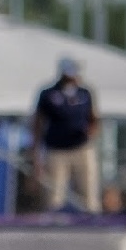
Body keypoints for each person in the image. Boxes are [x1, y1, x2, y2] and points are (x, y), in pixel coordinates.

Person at [32, 57, 101, 212]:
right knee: (54, 192)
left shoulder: (85, 93)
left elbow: (94, 119)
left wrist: (91, 132)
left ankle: (92, 219)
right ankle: (55, 221)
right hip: (57, 149)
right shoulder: (48, 94)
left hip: (82, 147)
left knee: (88, 189)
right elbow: (37, 123)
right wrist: (36, 153)